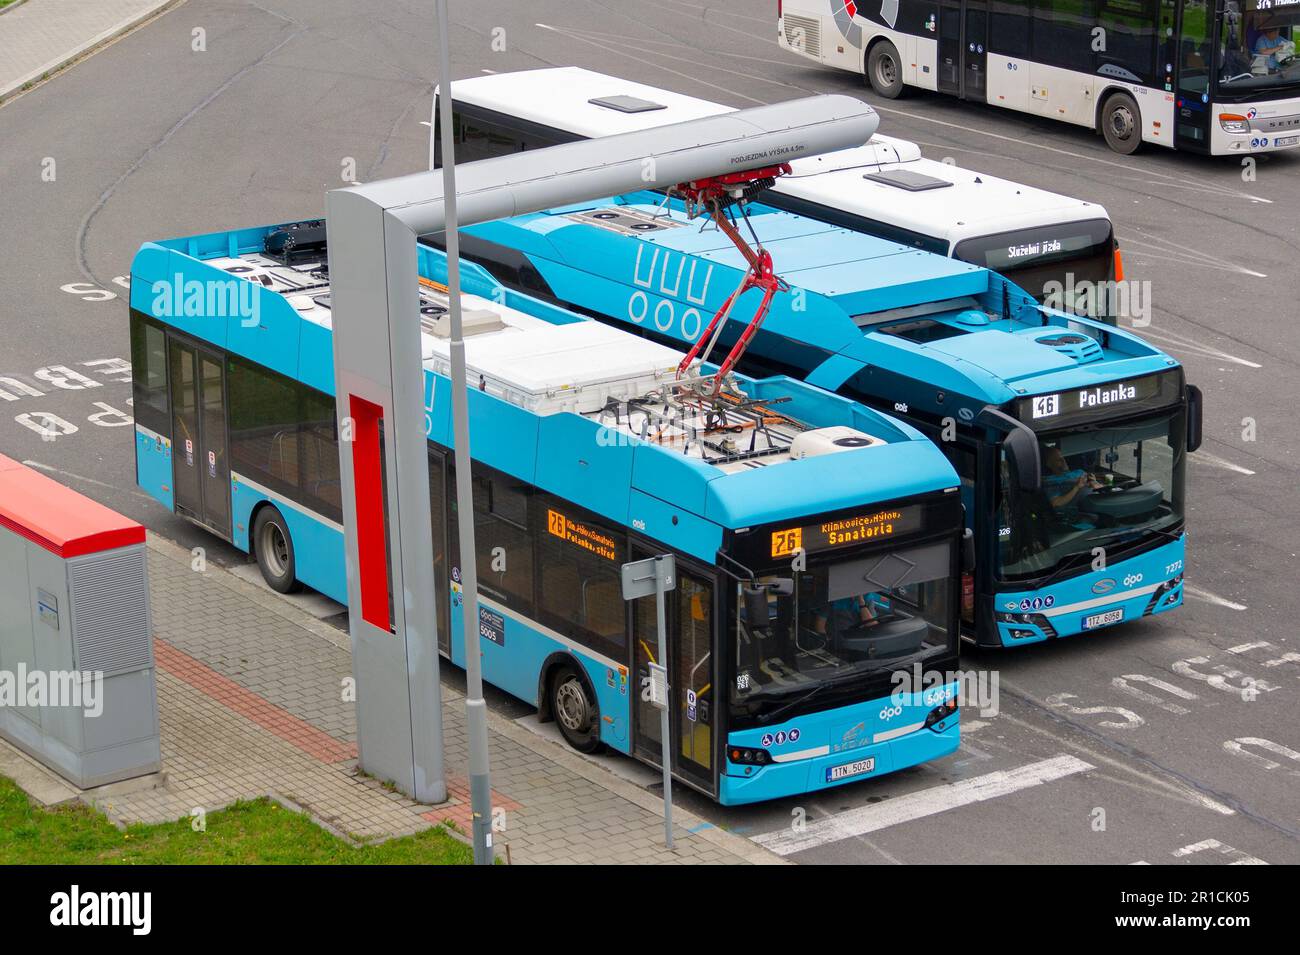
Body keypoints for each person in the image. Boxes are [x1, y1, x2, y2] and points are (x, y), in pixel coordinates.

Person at [1042, 446, 1103, 511]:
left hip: (1100, 502)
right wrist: (1076, 487)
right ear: (1049, 464)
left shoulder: (1079, 471)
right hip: (1083, 512)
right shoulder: (1050, 481)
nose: (1063, 461)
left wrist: (1094, 482)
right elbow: (1056, 503)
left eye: (1063, 458)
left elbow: (1101, 489)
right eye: (1059, 460)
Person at [812, 593, 879, 637]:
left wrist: (861, 604)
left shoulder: (868, 597)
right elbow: (820, 624)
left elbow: (873, 626)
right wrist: (826, 642)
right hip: (837, 640)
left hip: (858, 638)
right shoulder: (833, 597)